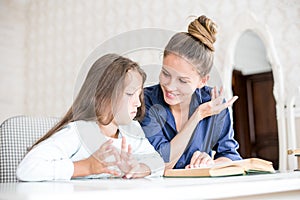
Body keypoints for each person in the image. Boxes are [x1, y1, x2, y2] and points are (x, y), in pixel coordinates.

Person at [17, 53, 164, 181]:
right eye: (130, 94)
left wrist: (140, 168)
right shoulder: (79, 132)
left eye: (139, 96)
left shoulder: (132, 131)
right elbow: (27, 169)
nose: (138, 103)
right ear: (102, 95)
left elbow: (157, 162)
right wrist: (87, 167)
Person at [139, 15, 242, 170]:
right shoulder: (146, 101)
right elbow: (162, 163)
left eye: (182, 81)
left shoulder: (213, 103)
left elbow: (230, 155)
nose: (170, 86)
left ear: (203, 81)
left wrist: (210, 163)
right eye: (166, 73)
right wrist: (198, 115)